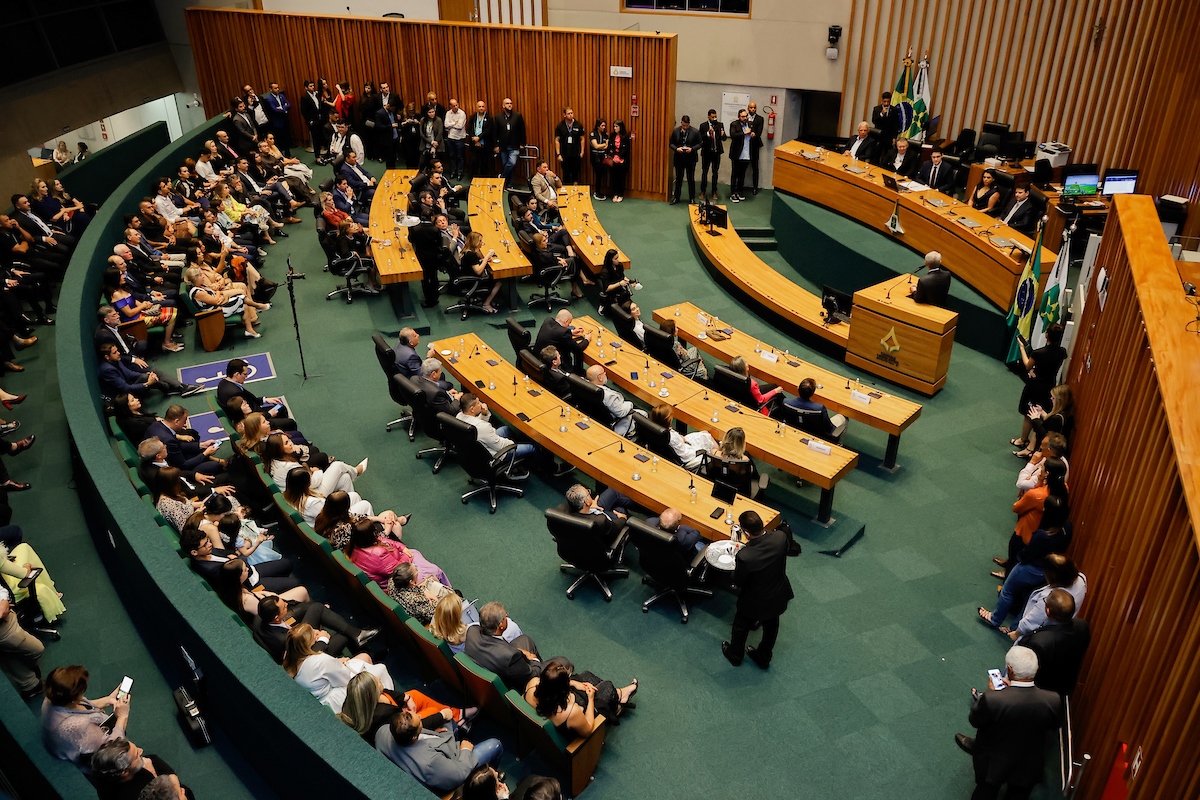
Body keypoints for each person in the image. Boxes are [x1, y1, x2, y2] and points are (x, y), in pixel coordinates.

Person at [955, 645, 1062, 800]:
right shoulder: (1053, 699)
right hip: (1028, 762)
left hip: (993, 761)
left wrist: (991, 692)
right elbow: (1054, 725)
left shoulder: (993, 699)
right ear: (1036, 668)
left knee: (985, 792)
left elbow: (975, 720)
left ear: (1010, 669)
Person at [722, 510, 793, 669]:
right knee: (771, 627)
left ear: (746, 533)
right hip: (777, 594)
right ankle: (763, 656)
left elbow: (739, 581)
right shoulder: (780, 537)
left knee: (740, 627)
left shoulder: (745, 555)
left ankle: (735, 655)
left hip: (754, 601)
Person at [375, 706, 503, 793]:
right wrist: (465, 750)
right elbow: (459, 773)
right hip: (453, 766)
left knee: (449, 721)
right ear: (414, 737)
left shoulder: (383, 732)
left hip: (434, 750)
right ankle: (491, 782)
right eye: (419, 722)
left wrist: (427, 733)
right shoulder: (429, 763)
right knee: (494, 745)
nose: (420, 718)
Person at [283, 623, 392, 713]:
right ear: (307, 643)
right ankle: (389, 696)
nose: (316, 631)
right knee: (379, 668)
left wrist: (336, 662)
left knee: (364, 657)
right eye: (313, 632)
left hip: (324, 696)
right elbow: (345, 679)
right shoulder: (319, 660)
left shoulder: (289, 660)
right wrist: (339, 664)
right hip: (338, 700)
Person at [338, 670, 470, 743]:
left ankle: (457, 714)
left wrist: (405, 698)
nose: (379, 678)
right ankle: (454, 719)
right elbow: (406, 729)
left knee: (413, 694)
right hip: (402, 733)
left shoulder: (354, 699)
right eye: (376, 681)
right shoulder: (383, 714)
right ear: (372, 694)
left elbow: (385, 692)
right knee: (434, 712)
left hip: (398, 716)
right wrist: (441, 716)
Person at [41, 665, 130, 768]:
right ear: (73, 698)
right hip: (96, 755)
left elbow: (81, 707)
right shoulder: (82, 729)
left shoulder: (52, 698)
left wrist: (108, 699)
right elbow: (111, 749)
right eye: (81, 692)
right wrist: (122, 715)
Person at [523, 658, 637, 735]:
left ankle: (618, 699)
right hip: (575, 724)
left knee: (586, 676)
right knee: (608, 687)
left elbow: (551, 686)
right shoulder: (571, 712)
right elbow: (588, 730)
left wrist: (574, 683)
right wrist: (591, 698)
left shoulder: (533, 684)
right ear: (562, 689)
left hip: (552, 708)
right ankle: (619, 697)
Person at [253, 594, 377, 664]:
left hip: (300, 640)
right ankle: (365, 654)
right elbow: (306, 657)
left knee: (317, 608)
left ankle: (357, 635)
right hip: (310, 655)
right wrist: (320, 639)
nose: (286, 604)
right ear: (276, 618)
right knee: (343, 635)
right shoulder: (285, 640)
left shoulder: (261, 616)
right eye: (284, 607)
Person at [464, 601, 546, 692]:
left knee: (524, 639)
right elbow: (530, 675)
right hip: (512, 685)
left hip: (490, 663)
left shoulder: (471, 631)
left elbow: (504, 651)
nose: (507, 617)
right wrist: (534, 660)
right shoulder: (510, 657)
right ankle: (544, 679)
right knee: (562, 661)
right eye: (505, 616)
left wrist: (517, 652)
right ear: (501, 626)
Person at [1023, 590, 1092, 696]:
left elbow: (1026, 673)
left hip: (1040, 692)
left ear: (1048, 611)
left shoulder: (1038, 642)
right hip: (1065, 686)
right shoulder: (1082, 626)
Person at [345, 517, 448, 587]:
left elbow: (382, 539)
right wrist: (404, 555)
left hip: (397, 561)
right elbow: (400, 569)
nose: (376, 533)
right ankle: (450, 594)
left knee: (414, 552)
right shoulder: (377, 554)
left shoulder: (356, 544)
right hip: (399, 580)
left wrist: (402, 547)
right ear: (369, 535)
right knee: (435, 571)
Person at [1007, 553, 1087, 642]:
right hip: (1057, 633)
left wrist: (1016, 634)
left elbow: (1032, 621)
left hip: (1035, 637)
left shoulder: (1049, 598)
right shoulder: (1081, 579)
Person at [1011, 324, 1067, 451]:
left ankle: (1023, 440)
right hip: (1049, 386)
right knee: (1041, 414)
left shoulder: (1038, 353)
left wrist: (1021, 348)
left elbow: (1027, 366)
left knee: (1028, 413)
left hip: (1035, 386)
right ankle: (1033, 444)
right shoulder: (1062, 352)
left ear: (1047, 335)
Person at [90, 738, 194, 800]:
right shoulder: (120, 795)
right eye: (136, 755)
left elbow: (172, 775)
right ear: (125, 772)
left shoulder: (105, 776)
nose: (141, 750)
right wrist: (154, 775)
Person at [216, 357, 296, 431]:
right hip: (255, 422)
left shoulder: (224, 383)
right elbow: (250, 416)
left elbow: (249, 400)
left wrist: (264, 400)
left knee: (280, 407)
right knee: (290, 423)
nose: (246, 376)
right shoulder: (234, 393)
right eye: (245, 374)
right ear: (237, 374)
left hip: (256, 412)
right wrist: (269, 414)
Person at [0, 577, 43, 700]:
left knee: (9, 654)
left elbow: (1, 590)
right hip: (4, 629)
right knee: (37, 649)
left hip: (9, 616)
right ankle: (30, 680)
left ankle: (31, 686)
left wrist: (4, 601)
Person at [649, 405, 716, 470]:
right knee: (708, 437)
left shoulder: (654, 430)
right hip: (688, 455)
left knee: (705, 432)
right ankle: (719, 456)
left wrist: (680, 439)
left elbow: (678, 441)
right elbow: (686, 455)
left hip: (682, 445)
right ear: (668, 419)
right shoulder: (673, 438)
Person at [1016, 384, 1074, 458]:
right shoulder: (1066, 414)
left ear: (1059, 401)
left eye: (1053, 398)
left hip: (1051, 452)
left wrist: (1035, 420)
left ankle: (1029, 450)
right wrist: (1043, 413)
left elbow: (1045, 436)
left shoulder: (1057, 418)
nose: (1051, 398)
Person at [564, 483, 635, 539]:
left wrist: (590, 506)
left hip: (589, 510)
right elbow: (615, 529)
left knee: (612, 491)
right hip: (608, 525)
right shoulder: (600, 521)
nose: (590, 493)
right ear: (587, 501)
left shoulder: (566, 509)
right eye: (588, 493)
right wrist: (622, 518)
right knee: (621, 510)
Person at [584, 365, 639, 436]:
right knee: (643, 414)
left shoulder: (585, 386)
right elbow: (621, 412)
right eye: (604, 373)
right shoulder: (608, 396)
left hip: (596, 415)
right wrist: (630, 403)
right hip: (614, 420)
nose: (606, 374)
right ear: (600, 378)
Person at [533, 309, 589, 375]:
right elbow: (578, 348)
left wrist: (571, 332)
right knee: (578, 353)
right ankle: (579, 373)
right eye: (569, 322)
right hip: (553, 363)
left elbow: (555, 332)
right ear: (566, 321)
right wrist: (587, 339)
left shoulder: (548, 321)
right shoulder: (564, 333)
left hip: (536, 358)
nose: (569, 325)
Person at [669, 115, 702, 205]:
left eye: (687, 126)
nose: (685, 127)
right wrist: (676, 149)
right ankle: (676, 197)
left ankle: (691, 198)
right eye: (683, 125)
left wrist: (692, 149)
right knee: (679, 179)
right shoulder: (676, 131)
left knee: (691, 179)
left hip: (690, 159)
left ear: (689, 124)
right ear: (681, 123)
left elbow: (700, 144)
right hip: (679, 158)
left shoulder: (695, 132)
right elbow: (671, 143)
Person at [495, 98, 526, 188]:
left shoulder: (517, 116)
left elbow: (522, 130)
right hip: (503, 146)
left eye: (511, 103)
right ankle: (509, 184)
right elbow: (495, 132)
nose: (509, 105)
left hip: (514, 146)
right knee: (506, 166)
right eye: (507, 103)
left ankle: (502, 177)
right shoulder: (498, 117)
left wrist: (523, 143)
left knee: (512, 163)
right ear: (503, 106)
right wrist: (496, 145)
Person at [698, 108, 726, 202]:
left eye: (715, 116)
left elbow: (724, 138)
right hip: (706, 153)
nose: (714, 118)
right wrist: (707, 133)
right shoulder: (703, 126)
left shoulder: (719, 125)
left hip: (716, 152)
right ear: (708, 116)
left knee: (715, 172)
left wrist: (723, 135)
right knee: (704, 172)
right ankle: (703, 191)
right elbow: (700, 138)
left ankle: (714, 191)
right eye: (712, 117)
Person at [554, 107, 585, 185]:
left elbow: (582, 139)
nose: (571, 115)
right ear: (564, 115)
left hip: (576, 154)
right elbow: (557, 140)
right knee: (566, 174)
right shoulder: (560, 126)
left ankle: (575, 190)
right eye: (569, 113)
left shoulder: (578, 125)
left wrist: (582, 152)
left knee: (576, 174)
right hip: (564, 154)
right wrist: (558, 154)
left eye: (572, 113)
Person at [728, 109, 754, 203]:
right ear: (739, 117)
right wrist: (744, 133)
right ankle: (733, 193)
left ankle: (740, 191)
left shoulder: (750, 124)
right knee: (735, 174)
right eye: (743, 116)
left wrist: (752, 134)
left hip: (747, 154)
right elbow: (733, 135)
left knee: (742, 174)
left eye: (746, 116)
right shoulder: (734, 124)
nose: (745, 118)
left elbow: (754, 134)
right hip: (737, 153)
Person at [466, 100, 494, 179]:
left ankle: (483, 179)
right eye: (479, 106)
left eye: (483, 106)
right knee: (474, 162)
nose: (481, 108)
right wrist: (474, 139)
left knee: (484, 163)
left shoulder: (489, 118)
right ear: (476, 108)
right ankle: (474, 178)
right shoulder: (473, 117)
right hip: (474, 143)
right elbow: (469, 129)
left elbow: (488, 130)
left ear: (485, 108)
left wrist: (479, 138)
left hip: (485, 144)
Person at [607, 120, 631, 203]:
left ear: (620, 127)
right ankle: (615, 194)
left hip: (622, 159)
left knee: (621, 178)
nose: (615, 128)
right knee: (614, 178)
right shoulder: (612, 135)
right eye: (614, 126)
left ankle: (620, 194)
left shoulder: (625, 136)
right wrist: (613, 156)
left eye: (617, 126)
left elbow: (626, 149)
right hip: (613, 159)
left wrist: (619, 157)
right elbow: (610, 147)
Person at [744, 101, 765, 194]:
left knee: (755, 168)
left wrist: (754, 133)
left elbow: (759, 131)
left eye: (754, 107)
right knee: (742, 167)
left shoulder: (760, 119)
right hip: (745, 146)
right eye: (751, 107)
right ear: (748, 108)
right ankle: (739, 186)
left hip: (754, 145)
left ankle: (755, 187)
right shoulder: (745, 118)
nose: (753, 109)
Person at [589, 120, 609, 200]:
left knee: (602, 174)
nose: (604, 127)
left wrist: (603, 146)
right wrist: (604, 145)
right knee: (598, 173)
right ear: (598, 126)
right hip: (595, 156)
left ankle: (599, 191)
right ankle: (597, 192)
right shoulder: (593, 134)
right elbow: (596, 146)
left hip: (603, 156)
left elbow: (607, 146)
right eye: (602, 126)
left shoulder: (605, 134)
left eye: (604, 126)